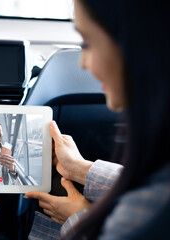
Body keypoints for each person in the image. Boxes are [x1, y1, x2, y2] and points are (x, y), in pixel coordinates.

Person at [24, 0, 170, 239]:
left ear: (137, 44)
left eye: (88, 43)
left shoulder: (143, 215)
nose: (82, 62)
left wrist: (79, 217)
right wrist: (81, 168)